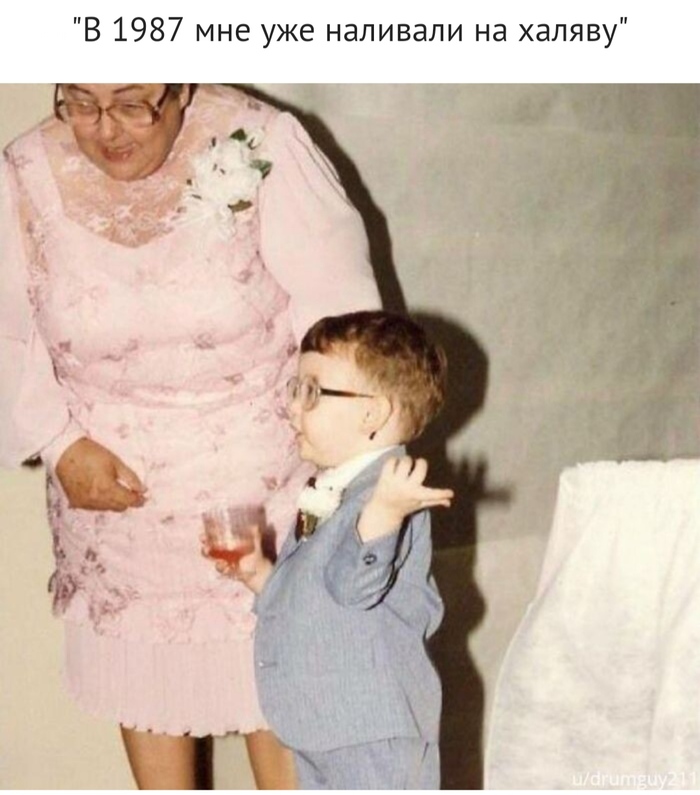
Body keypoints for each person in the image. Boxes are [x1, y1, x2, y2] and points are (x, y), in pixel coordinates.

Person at [0, 84, 380, 789]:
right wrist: (58, 443)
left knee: (287, 707)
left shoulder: (263, 142)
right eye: (79, 102)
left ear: (182, 84)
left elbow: (345, 325)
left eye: (133, 104)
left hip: (265, 498)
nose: (106, 129)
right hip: (122, 518)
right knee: (153, 701)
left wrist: (341, 464)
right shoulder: (23, 173)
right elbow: (5, 332)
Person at [207, 310, 452, 789]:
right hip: (326, 725)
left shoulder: (389, 496)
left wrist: (384, 514)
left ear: (371, 414)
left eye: (311, 392)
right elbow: (317, 593)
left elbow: (353, 587)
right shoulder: (333, 488)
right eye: (294, 389)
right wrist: (261, 575)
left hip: (371, 730)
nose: (292, 407)